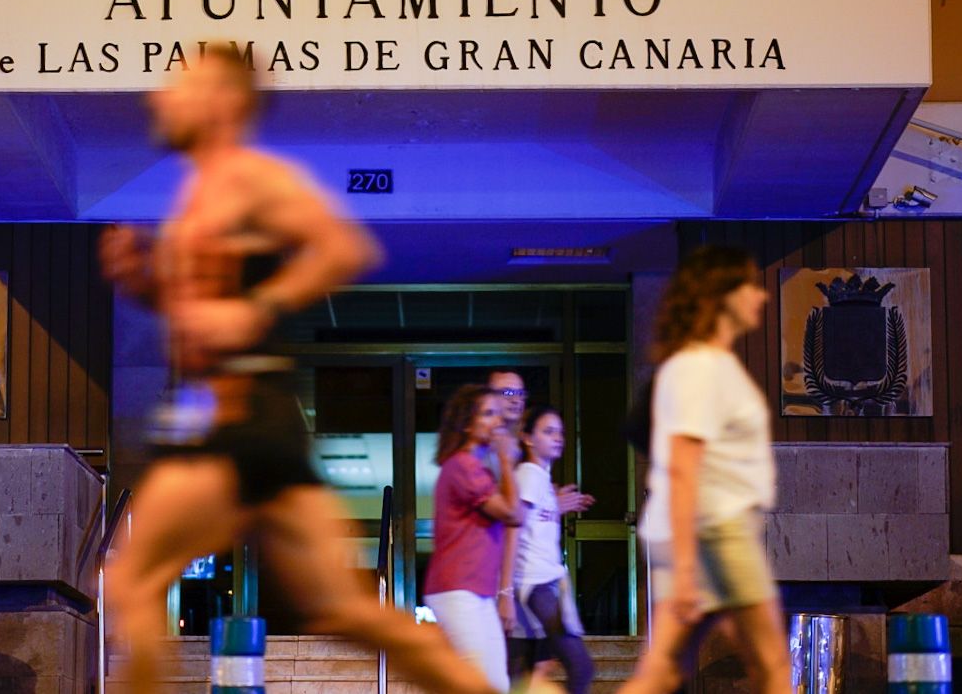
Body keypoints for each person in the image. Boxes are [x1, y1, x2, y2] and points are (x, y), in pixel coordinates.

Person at [101, 44, 502, 694]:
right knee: (341, 609)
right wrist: (144, 282)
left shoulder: (252, 177)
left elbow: (343, 245)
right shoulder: (196, 191)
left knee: (133, 581)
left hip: (241, 419)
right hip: (245, 422)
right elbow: (205, 317)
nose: (159, 97)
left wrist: (258, 305)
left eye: (180, 85)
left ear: (226, 100)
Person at [619, 245, 790, 694]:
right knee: (772, 664)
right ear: (721, 294)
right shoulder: (699, 367)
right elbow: (681, 467)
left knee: (660, 673)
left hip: (701, 529)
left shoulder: (702, 364)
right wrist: (690, 567)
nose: (761, 296)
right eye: (749, 285)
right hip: (715, 527)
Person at [426, 383, 524, 692]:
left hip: (476, 592)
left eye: (498, 414)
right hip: (457, 590)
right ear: (467, 423)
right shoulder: (463, 466)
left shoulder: (477, 468)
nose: (498, 422)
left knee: (496, 683)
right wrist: (507, 461)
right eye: (488, 414)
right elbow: (513, 513)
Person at [513, 404, 595, 694]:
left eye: (560, 432)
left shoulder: (540, 478)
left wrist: (555, 504)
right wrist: (504, 590)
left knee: (533, 673)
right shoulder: (530, 474)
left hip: (546, 582)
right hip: (536, 584)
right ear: (528, 438)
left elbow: (533, 523)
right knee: (581, 666)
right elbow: (514, 526)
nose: (558, 437)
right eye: (548, 431)